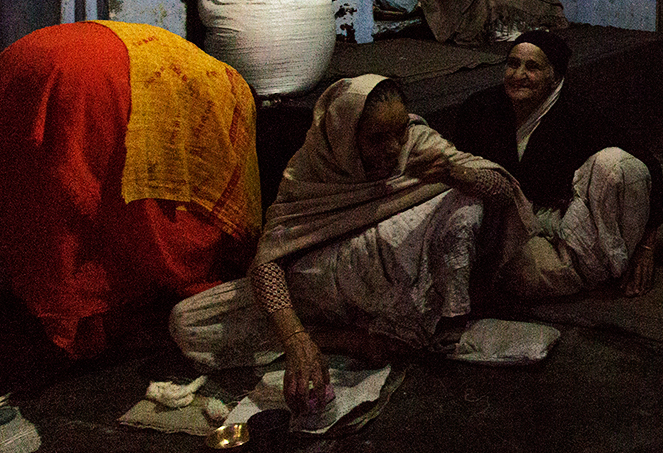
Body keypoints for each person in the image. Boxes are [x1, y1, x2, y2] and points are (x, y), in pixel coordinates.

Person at [172, 74, 537, 413]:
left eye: (398, 132)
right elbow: (269, 261)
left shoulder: (416, 144)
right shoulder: (312, 168)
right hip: (320, 293)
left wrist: (454, 172)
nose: (394, 148)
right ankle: (341, 339)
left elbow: (502, 188)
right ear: (345, 136)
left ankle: (435, 329)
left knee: (465, 204)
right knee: (187, 323)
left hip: (397, 289)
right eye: (377, 138)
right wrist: (296, 339)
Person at [0, 21, 260, 366]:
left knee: (33, 188)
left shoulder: (198, 69)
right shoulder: (222, 91)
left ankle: (34, 298)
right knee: (99, 203)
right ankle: (75, 322)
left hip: (26, 55)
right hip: (96, 80)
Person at [449, 29, 663, 299]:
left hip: (566, 216)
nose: (518, 75)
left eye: (532, 67)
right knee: (515, 273)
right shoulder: (480, 108)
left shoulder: (577, 112)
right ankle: (587, 271)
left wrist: (647, 247)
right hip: (508, 220)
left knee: (620, 165)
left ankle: (602, 262)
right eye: (513, 64)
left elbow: (650, 166)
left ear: (554, 77)